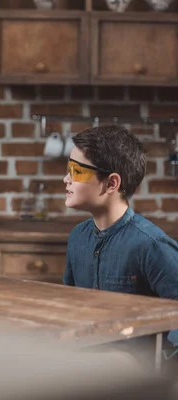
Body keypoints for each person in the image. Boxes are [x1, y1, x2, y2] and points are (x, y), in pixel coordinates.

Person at [62, 125, 178, 360]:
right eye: (68, 168)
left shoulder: (151, 246)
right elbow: (68, 307)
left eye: (76, 171)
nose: (66, 179)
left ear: (112, 183)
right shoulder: (77, 238)